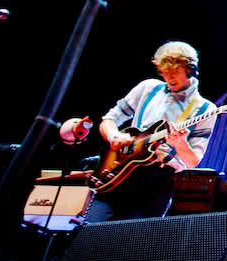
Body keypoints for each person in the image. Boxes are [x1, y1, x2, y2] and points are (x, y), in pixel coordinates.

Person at [83, 41, 217, 223]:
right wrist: (114, 135)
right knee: (88, 234)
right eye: (165, 72)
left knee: (134, 245)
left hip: (155, 184)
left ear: (190, 69)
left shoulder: (205, 109)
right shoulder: (148, 88)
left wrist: (180, 143)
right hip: (118, 172)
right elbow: (109, 119)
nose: (169, 78)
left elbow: (193, 160)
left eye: (175, 72)